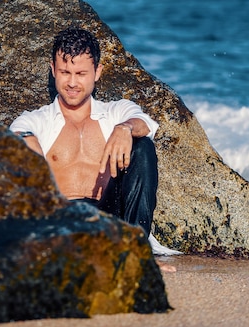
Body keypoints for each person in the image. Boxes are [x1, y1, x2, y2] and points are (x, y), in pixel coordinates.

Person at [10, 26, 179, 266]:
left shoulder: (114, 112)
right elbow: (17, 134)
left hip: (111, 217)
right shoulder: (37, 119)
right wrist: (28, 147)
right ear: (53, 70)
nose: (71, 82)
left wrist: (125, 129)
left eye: (80, 73)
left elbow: (147, 124)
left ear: (97, 72)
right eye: (65, 72)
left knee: (143, 148)